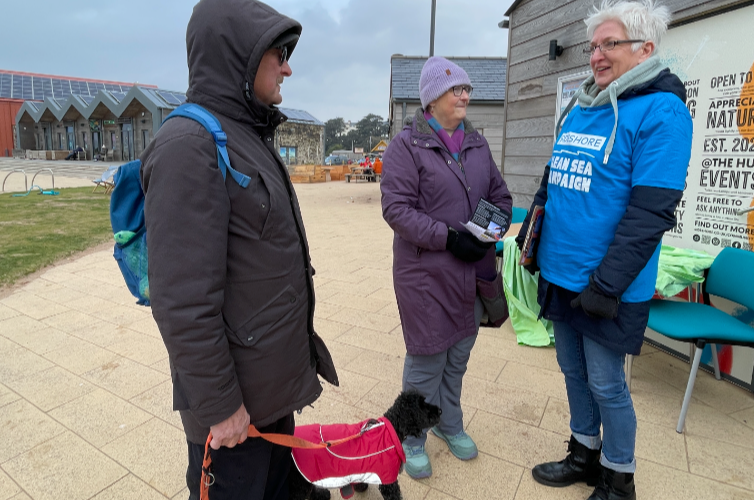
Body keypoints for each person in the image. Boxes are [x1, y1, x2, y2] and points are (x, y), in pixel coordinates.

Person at [140, 1, 338, 499]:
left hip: (269, 394)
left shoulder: (246, 133)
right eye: (279, 52)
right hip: (235, 417)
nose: (288, 66)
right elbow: (182, 299)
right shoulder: (189, 145)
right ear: (240, 57)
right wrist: (220, 403)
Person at [518, 2, 692, 499]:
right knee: (572, 371)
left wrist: (607, 284)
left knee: (607, 383)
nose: (596, 55)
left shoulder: (663, 111)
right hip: (560, 272)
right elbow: (554, 181)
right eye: (594, 46)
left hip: (607, 285)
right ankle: (583, 452)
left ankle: (619, 476)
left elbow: (650, 212)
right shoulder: (583, 104)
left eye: (608, 44)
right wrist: (530, 241)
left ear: (645, 49)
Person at [381, 56, 513, 479]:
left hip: (472, 273)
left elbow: (502, 198)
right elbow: (396, 209)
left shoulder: (476, 143)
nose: (465, 96)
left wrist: (486, 233)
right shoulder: (406, 146)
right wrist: (449, 237)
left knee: (458, 355)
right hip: (426, 275)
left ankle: (448, 423)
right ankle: (412, 434)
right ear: (432, 96)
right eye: (456, 89)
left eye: (467, 89)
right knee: (427, 359)